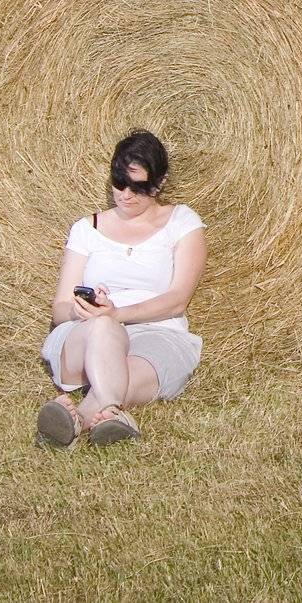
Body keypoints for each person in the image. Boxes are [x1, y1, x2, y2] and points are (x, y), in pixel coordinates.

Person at [35, 128, 208, 447]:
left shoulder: (182, 222)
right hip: (85, 334)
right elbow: (59, 308)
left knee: (128, 374)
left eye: (136, 187)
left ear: (159, 183)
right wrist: (84, 311)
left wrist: (120, 312)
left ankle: (77, 421)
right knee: (103, 328)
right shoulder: (87, 230)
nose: (124, 194)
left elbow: (176, 300)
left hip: (158, 332)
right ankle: (111, 414)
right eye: (118, 182)